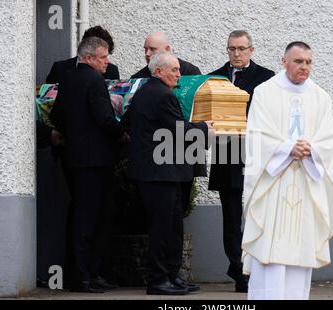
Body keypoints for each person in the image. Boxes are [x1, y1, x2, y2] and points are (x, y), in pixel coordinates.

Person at [241, 41, 333, 300]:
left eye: (308, 62)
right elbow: (255, 136)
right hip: (273, 186)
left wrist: (312, 149)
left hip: (307, 183)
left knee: (300, 256)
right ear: (283, 61)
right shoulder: (264, 92)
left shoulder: (321, 97)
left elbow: (329, 140)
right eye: (298, 61)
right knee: (269, 254)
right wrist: (286, 149)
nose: (304, 67)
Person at [122, 52, 214, 295]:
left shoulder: (146, 92)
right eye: (174, 70)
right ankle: (158, 280)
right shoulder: (162, 95)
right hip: (159, 174)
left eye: (178, 69)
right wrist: (205, 127)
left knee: (171, 226)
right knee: (163, 228)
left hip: (160, 174)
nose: (179, 74)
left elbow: (127, 123)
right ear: (159, 71)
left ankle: (171, 277)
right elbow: (180, 129)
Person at [50, 36, 127, 293]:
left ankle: (79, 274)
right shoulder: (94, 80)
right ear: (90, 57)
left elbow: (56, 115)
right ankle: (85, 277)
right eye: (103, 57)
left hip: (73, 158)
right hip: (95, 160)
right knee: (92, 218)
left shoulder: (68, 79)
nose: (107, 62)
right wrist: (123, 132)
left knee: (80, 215)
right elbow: (105, 118)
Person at [208, 30, 275, 292]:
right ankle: (239, 271)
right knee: (231, 217)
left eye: (241, 49)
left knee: (260, 215)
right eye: (231, 49)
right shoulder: (214, 77)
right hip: (226, 154)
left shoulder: (267, 78)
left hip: (257, 154)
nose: (236, 54)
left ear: (251, 50)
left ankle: (260, 267)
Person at [46, 25, 120, 83]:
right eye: (102, 56)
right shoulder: (59, 68)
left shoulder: (112, 70)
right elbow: (47, 99)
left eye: (106, 55)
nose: (107, 61)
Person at [130, 31, 201, 79]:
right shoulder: (138, 78)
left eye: (152, 49)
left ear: (167, 49)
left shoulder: (190, 72)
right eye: (145, 49)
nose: (147, 54)